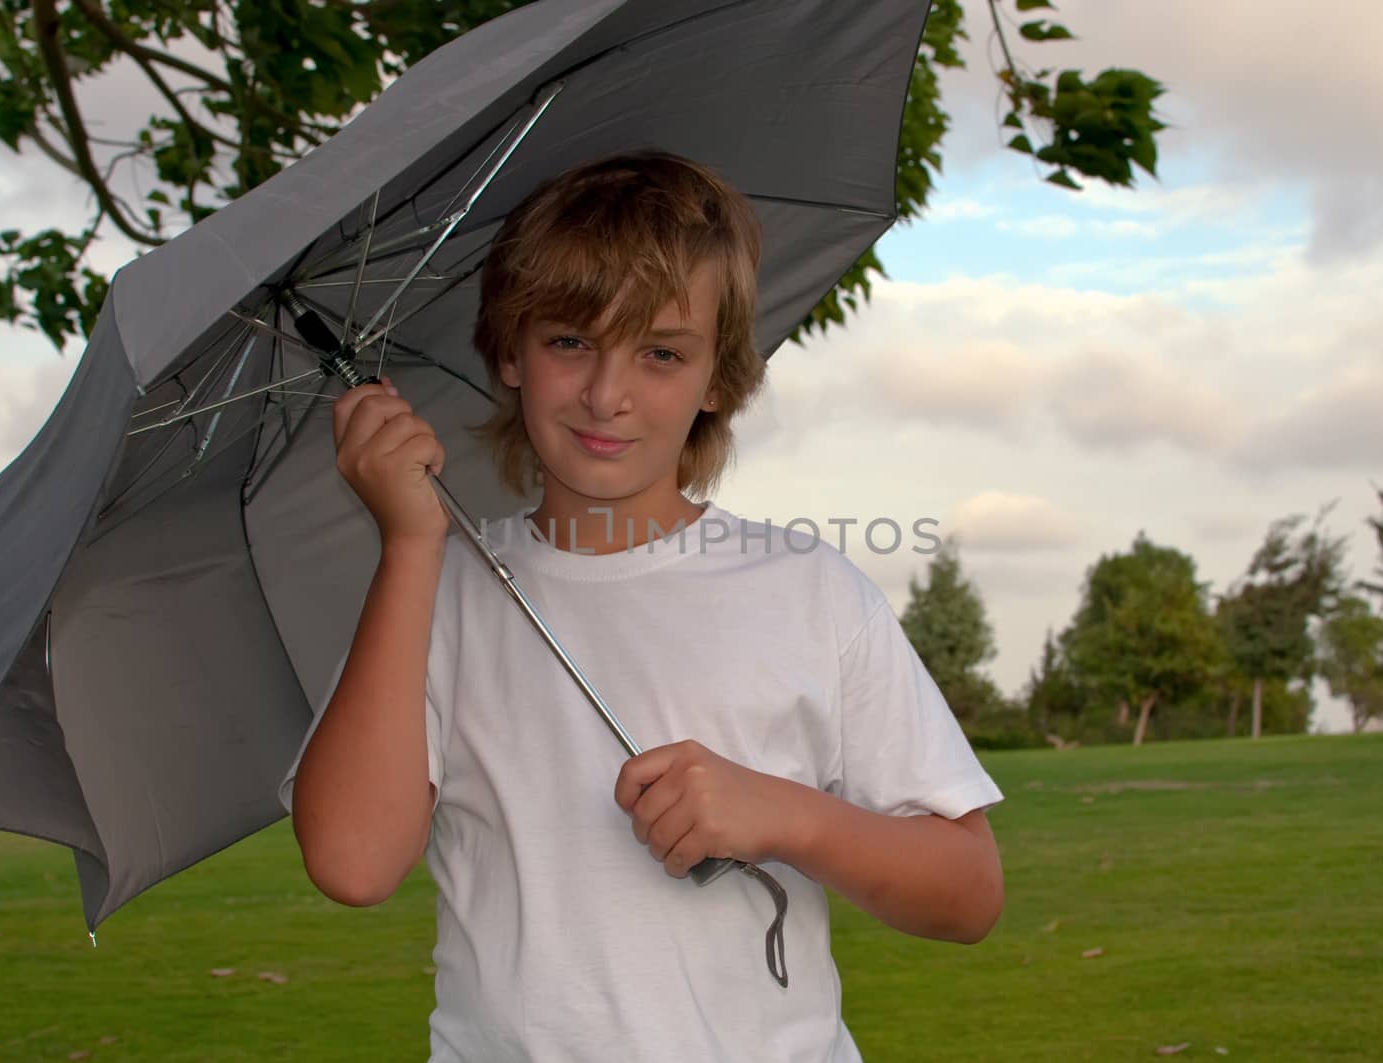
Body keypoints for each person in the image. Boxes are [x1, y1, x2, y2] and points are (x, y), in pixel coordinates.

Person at [281, 152, 1005, 1062]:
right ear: (510, 349)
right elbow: (352, 862)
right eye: (570, 340)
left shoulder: (808, 590)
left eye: (661, 352)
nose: (607, 394)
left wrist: (784, 814)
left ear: (716, 381)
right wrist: (412, 544)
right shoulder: (436, 590)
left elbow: (969, 891)